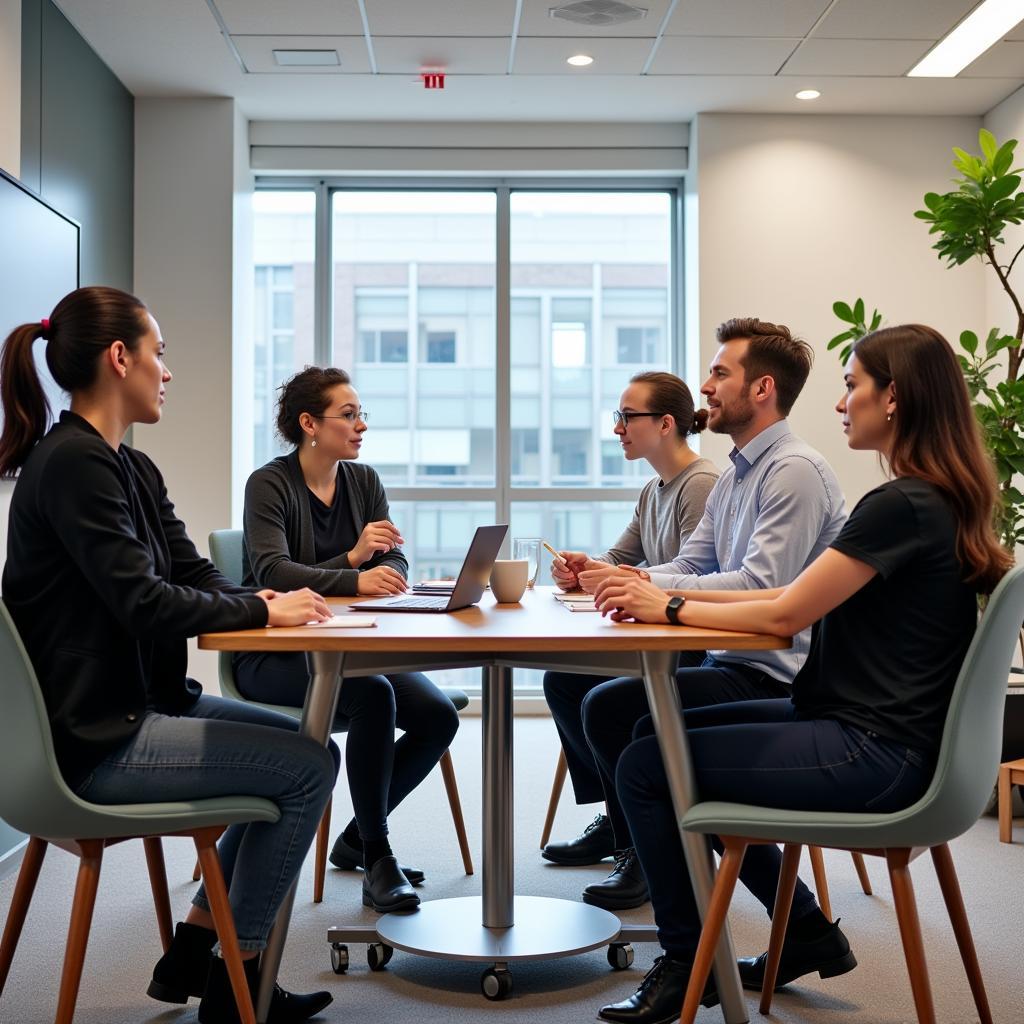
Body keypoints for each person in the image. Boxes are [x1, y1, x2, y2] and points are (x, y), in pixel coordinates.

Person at [593, 323, 1013, 1024]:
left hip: (873, 750)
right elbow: (780, 596)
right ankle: (784, 934)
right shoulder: (925, 501)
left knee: (646, 765)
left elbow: (782, 615)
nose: (843, 403)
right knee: (645, 735)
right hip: (876, 734)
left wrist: (665, 602)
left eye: (854, 386)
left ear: (896, 399)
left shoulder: (899, 506)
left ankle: (684, 960)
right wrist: (660, 595)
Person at [0, 286, 339, 1024]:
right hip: (96, 741)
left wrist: (260, 605)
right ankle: (236, 982)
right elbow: (145, 603)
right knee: (309, 767)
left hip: (137, 708)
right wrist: (260, 606)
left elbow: (190, 575)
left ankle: (193, 947)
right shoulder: (73, 466)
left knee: (302, 744)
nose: (167, 371)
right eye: (160, 353)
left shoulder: (129, 467)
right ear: (120, 358)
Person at [572, 318, 848, 913]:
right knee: (616, 712)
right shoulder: (738, 476)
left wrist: (659, 601)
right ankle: (796, 923)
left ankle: (664, 884)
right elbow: (692, 565)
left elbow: (762, 586)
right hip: (739, 663)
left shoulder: (794, 471)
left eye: (720, 373)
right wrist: (631, 579)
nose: (705, 386)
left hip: (778, 675)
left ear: (762, 389)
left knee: (630, 725)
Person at [236, 365, 460, 915]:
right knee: (373, 695)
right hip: (273, 652)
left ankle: (358, 835)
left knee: (437, 715)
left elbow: (394, 552)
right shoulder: (269, 484)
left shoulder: (363, 481)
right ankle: (378, 856)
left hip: (351, 644)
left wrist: (392, 572)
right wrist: (354, 566)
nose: (361, 426)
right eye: (349, 414)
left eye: (362, 415)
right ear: (310, 423)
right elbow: (272, 571)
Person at [540, 371, 719, 871]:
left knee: (587, 693)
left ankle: (636, 837)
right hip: (656, 635)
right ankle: (622, 822)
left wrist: (613, 574)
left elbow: (696, 572)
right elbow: (620, 557)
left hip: (692, 641)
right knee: (564, 680)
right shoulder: (654, 489)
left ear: (665, 424)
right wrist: (581, 568)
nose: (617, 427)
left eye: (626, 416)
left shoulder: (700, 483)